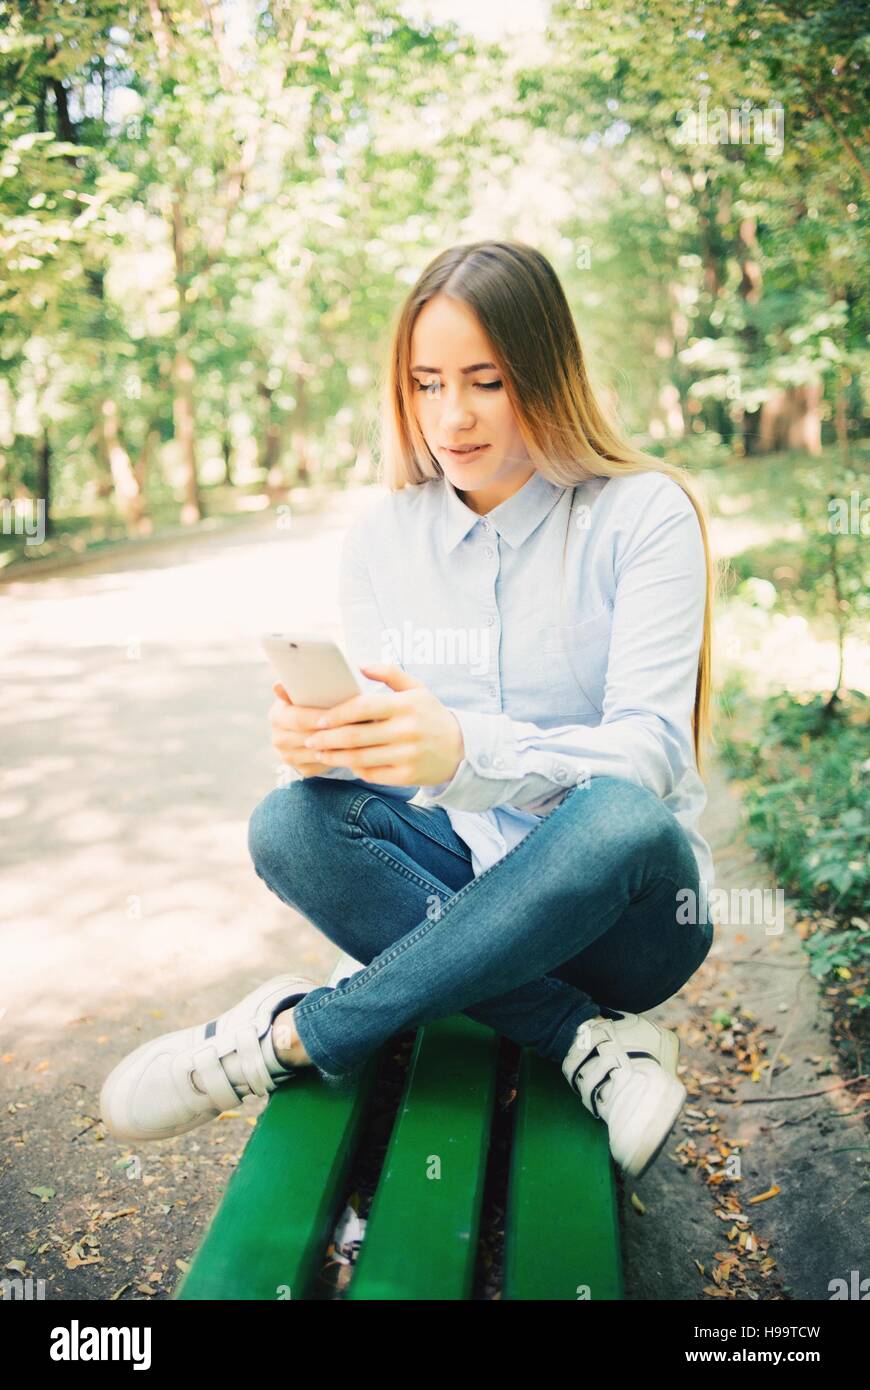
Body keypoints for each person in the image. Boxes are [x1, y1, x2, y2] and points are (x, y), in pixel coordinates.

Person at [100, 240, 718, 1180]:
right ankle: (579, 1040)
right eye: (427, 383)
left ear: (544, 373)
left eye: (486, 380)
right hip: (453, 894)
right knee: (289, 825)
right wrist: (322, 747)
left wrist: (467, 752)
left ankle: (283, 1040)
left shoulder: (644, 515)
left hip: (626, 922)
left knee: (618, 814)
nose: (452, 417)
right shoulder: (384, 538)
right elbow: (369, 769)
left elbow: (651, 753)